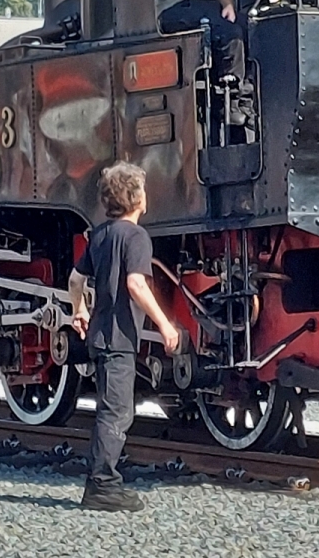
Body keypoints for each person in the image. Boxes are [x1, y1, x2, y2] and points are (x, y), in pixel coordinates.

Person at [68, 161, 180, 512]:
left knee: (111, 409)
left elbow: (74, 280)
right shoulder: (136, 237)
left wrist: (79, 310)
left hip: (100, 335)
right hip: (119, 339)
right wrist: (165, 325)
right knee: (116, 413)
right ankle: (102, 485)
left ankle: (104, 481)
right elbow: (135, 283)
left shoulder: (99, 235)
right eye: (143, 190)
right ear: (136, 198)